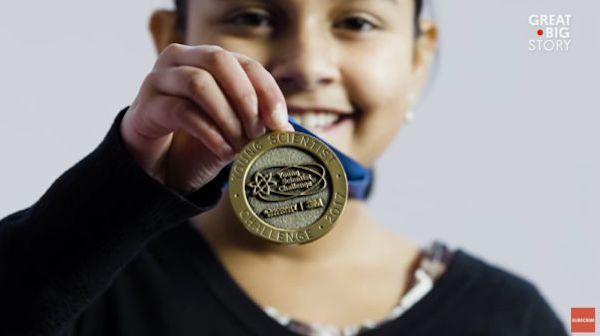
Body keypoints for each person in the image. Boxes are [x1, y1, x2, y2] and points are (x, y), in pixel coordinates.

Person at [0, 0, 568, 335]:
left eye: (358, 22)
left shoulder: (510, 318)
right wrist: (127, 184)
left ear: (420, 58)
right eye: (252, 15)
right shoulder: (85, 281)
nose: (306, 65)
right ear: (173, 42)